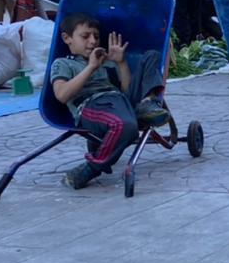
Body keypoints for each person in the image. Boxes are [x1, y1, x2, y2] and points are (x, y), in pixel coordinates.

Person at [50, 14, 169, 189]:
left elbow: (126, 91)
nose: (92, 42)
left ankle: (147, 103)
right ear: (67, 38)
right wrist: (90, 67)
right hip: (93, 105)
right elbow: (61, 95)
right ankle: (93, 166)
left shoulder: (107, 63)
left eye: (96, 37)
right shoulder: (63, 64)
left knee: (152, 55)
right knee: (125, 125)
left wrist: (120, 63)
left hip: (121, 102)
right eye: (85, 36)